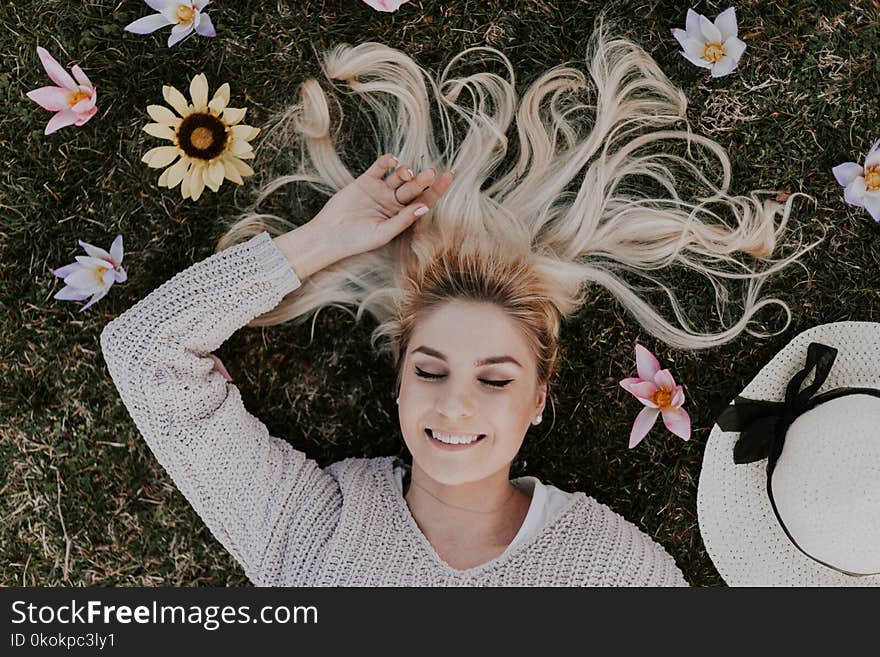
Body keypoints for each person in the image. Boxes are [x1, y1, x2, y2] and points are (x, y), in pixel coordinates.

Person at [101, 17, 820, 585]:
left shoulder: (610, 571)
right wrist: (319, 241)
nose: (454, 405)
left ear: (540, 397)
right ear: (400, 378)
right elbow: (146, 356)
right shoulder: (311, 528)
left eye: (496, 378)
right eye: (432, 369)